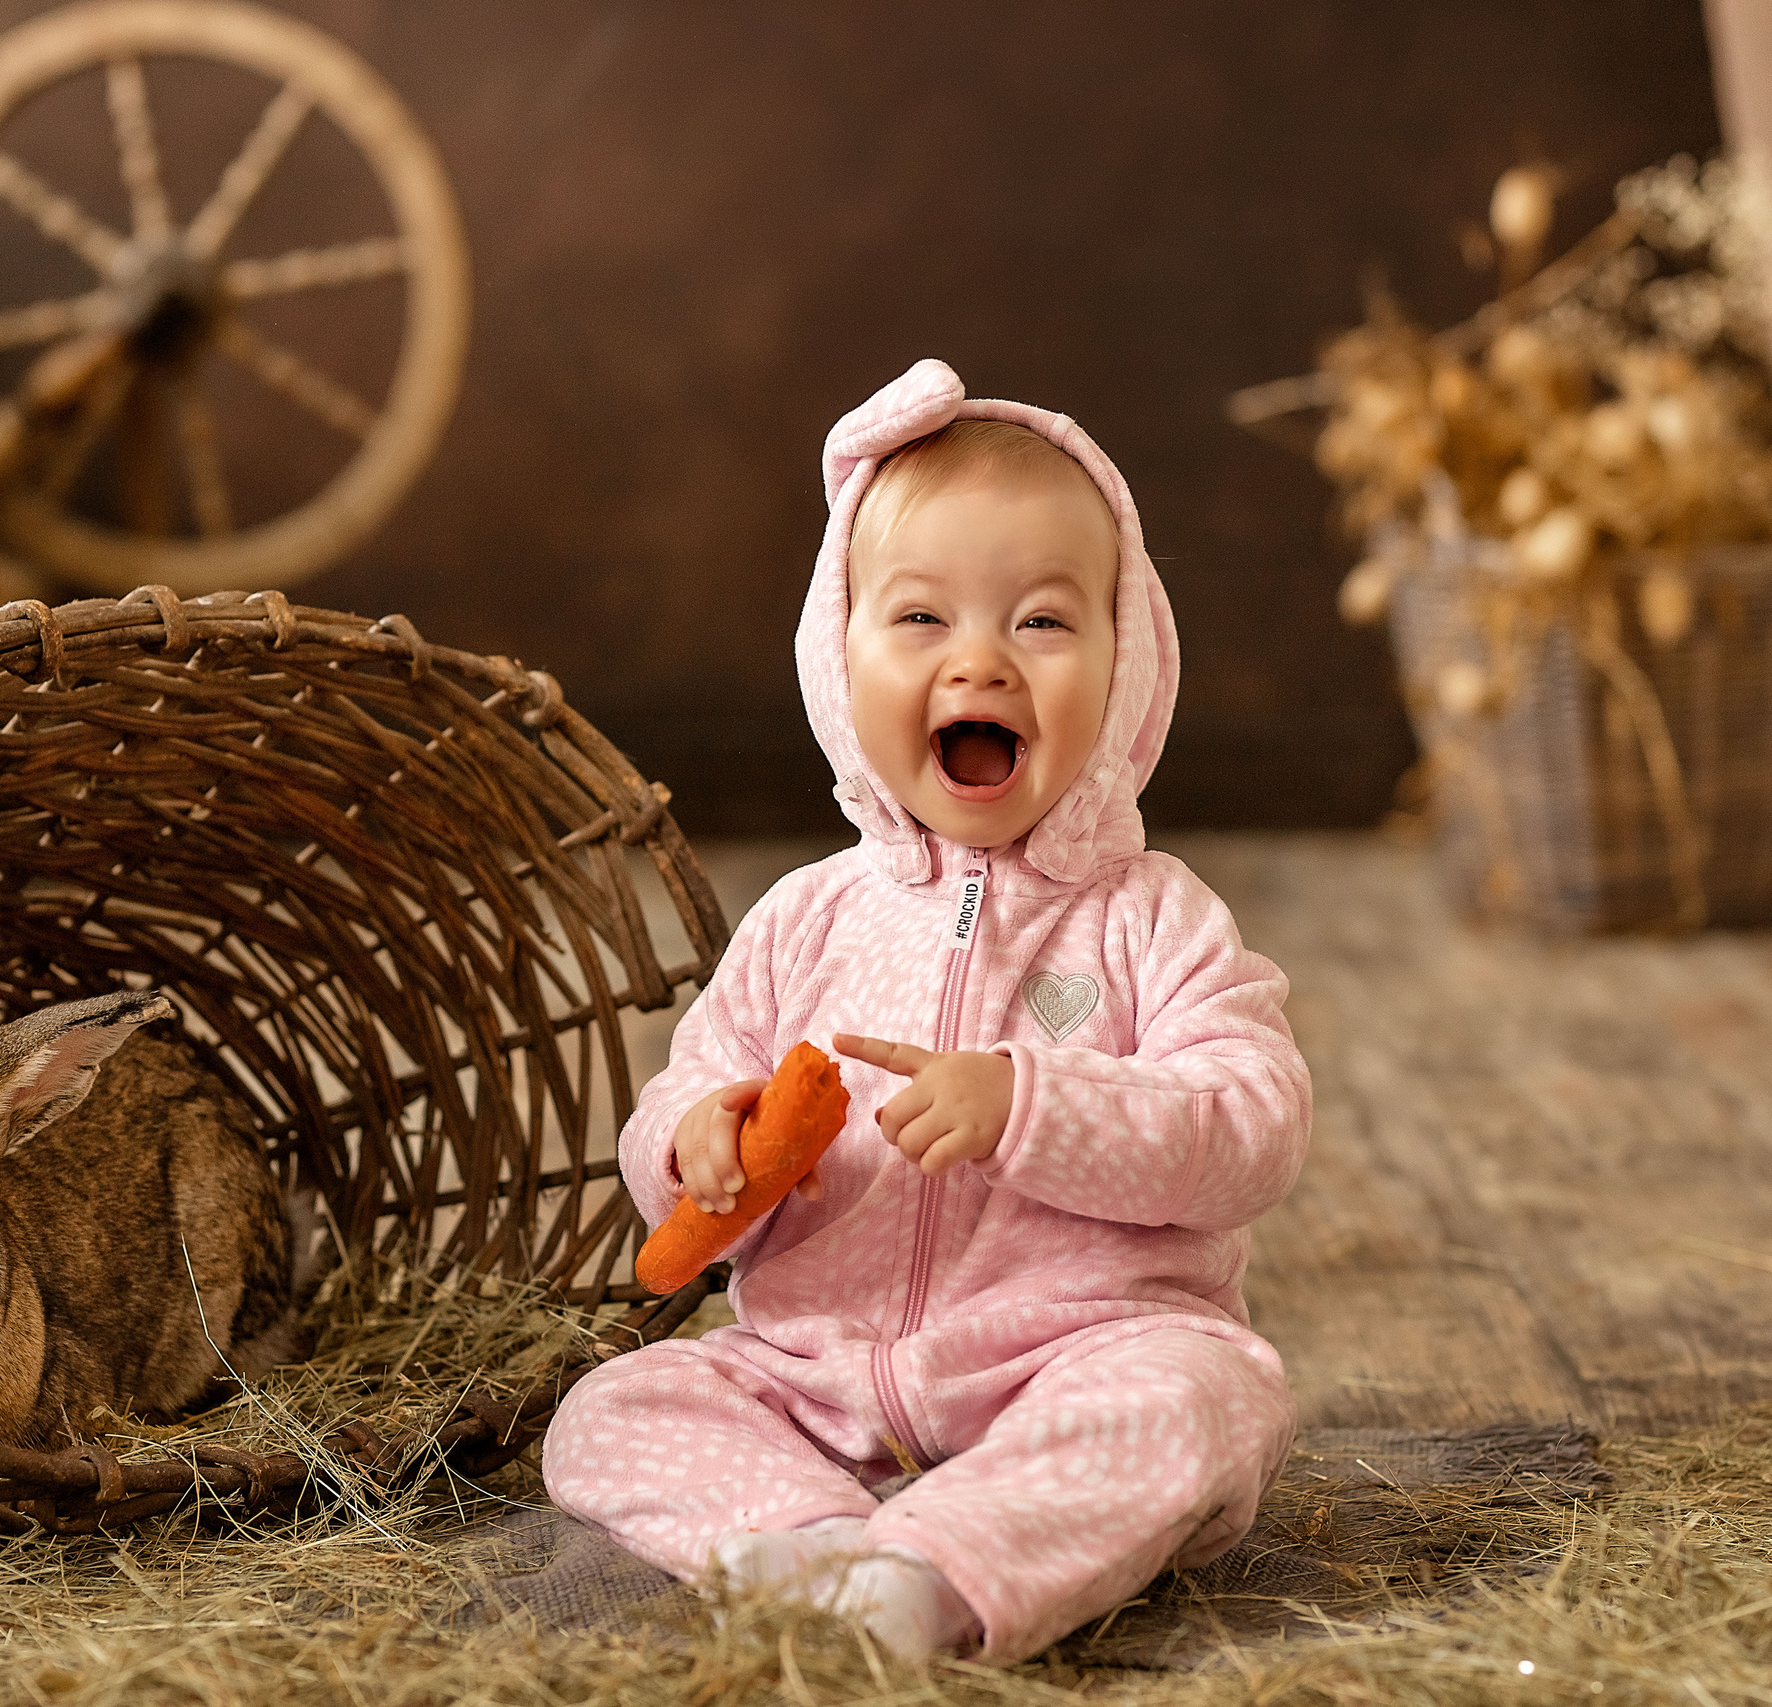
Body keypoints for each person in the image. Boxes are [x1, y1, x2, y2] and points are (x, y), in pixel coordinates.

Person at [540, 358, 1312, 1664]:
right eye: (919, 621)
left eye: (1044, 624)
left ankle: (936, 1574)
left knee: (1205, 1401)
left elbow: (1253, 1125)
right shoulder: (806, 918)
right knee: (614, 1406)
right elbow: (693, 1082)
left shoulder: (1151, 917)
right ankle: (799, 1546)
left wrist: (1034, 1102)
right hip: (818, 1376)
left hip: (1074, 1358)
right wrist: (694, 1141)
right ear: (839, 664)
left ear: (1127, 669)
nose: (982, 662)